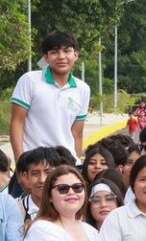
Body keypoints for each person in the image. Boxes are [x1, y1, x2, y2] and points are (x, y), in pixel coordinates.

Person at [9, 30, 90, 162]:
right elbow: (17, 122)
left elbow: (77, 133)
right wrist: (20, 163)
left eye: (66, 51)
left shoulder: (83, 89)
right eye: (54, 52)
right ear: (46, 58)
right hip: (35, 163)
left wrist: (76, 165)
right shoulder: (29, 80)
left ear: (75, 55)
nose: (61, 56)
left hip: (66, 163)